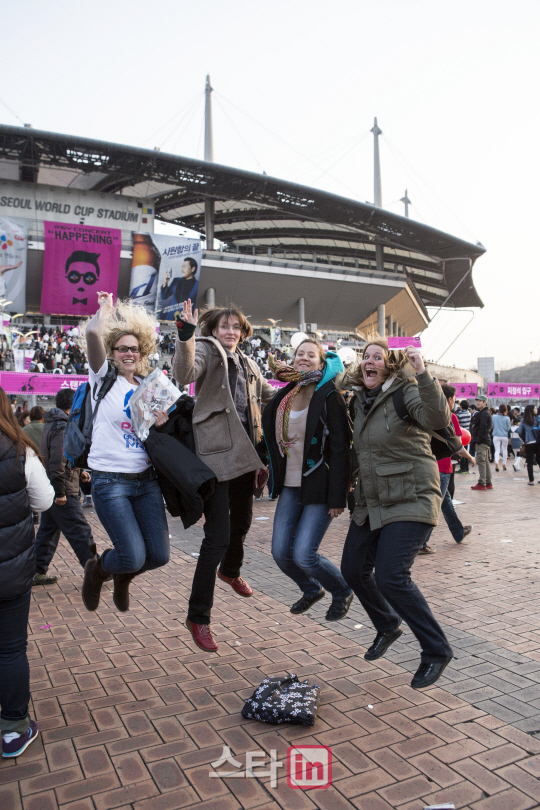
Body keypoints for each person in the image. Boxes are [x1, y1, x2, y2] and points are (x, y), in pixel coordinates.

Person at [340, 337, 454, 689]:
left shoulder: (406, 391)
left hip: (412, 494)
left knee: (391, 576)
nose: (370, 361)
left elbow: (436, 417)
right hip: (373, 499)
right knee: (352, 569)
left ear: (390, 365)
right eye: (365, 357)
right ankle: (388, 625)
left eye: (378, 357)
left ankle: (436, 650)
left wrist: (422, 373)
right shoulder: (359, 400)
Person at [173, 300, 275, 652]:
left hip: (247, 456)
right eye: (224, 326)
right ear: (213, 330)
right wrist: (186, 336)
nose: (230, 332)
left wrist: (307, 386)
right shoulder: (206, 349)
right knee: (216, 537)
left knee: (243, 523)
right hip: (216, 456)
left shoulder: (248, 363)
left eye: (235, 327)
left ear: (243, 332)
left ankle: (230, 571)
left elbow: (270, 397)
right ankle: (198, 617)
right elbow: (184, 373)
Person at [80, 293, 170, 612]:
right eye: (122, 348)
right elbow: (93, 333)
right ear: (113, 353)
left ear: (141, 351)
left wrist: (161, 423)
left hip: (146, 482)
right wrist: (106, 309)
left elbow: (152, 436)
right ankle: (99, 570)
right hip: (110, 482)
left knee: (159, 555)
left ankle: (122, 576)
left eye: (133, 348)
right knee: (132, 555)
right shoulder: (102, 379)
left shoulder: (148, 386)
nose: (129, 353)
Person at [262, 341, 353, 621]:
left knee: (304, 555)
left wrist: (338, 497)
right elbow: (270, 437)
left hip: (320, 485)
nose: (304, 359)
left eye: (310, 355)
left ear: (321, 361)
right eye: (300, 354)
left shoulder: (329, 396)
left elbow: (341, 448)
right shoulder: (285, 394)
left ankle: (342, 591)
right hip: (290, 485)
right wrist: (260, 462)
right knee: (280, 553)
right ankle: (311, 589)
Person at [0, 385, 54, 758]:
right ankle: (13, 729)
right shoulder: (21, 452)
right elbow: (44, 501)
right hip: (10, 572)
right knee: (11, 650)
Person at [33, 388, 97, 586]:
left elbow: (62, 459)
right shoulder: (62, 427)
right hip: (62, 490)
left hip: (56, 486)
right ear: (74, 405)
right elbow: (58, 462)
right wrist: (61, 491)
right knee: (80, 531)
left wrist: (79, 472)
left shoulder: (50, 424)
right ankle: (96, 572)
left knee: (47, 533)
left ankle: (36, 571)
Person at [419, 384, 475, 553]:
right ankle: (421, 543)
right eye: (454, 400)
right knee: (435, 505)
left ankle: (458, 533)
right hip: (442, 468)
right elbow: (457, 446)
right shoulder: (451, 417)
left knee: (446, 502)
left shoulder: (425, 414)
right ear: (449, 400)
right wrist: (470, 457)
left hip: (427, 465)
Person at [470, 395, 493, 490]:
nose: (478, 402)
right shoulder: (484, 413)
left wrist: (478, 440)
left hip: (482, 441)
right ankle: (488, 482)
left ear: (485, 402)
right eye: (477, 401)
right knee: (485, 461)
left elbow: (483, 428)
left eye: (480, 401)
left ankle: (482, 482)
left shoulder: (484, 414)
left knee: (481, 462)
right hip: (485, 440)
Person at [518, 405, 540, 486]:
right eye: (535, 408)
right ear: (531, 410)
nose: (536, 410)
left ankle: (531, 480)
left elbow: (519, 431)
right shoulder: (537, 419)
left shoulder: (524, 420)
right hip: (538, 442)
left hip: (529, 443)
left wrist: (524, 438)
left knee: (530, 462)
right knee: (539, 460)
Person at [492, 404, 511, 472]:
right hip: (504, 435)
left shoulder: (494, 417)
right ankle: (504, 464)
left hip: (496, 435)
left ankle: (497, 462)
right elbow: (509, 428)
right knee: (504, 450)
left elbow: (492, 425)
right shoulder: (507, 418)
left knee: (497, 450)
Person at [456, 400, 472, 473]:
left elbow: (457, 425)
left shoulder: (459, 415)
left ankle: (463, 468)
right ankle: (467, 468)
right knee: (466, 451)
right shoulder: (469, 414)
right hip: (468, 435)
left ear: (461, 406)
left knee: (461, 451)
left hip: (462, 435)